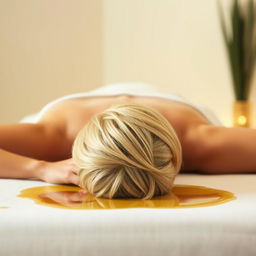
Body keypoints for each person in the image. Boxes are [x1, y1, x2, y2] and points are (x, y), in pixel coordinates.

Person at [0, 83, 255, 199]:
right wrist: (41, 168)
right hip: (78, 103)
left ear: (177, 162)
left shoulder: (201, 144)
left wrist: (40, 167)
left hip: (166, 101)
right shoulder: (55, 135)